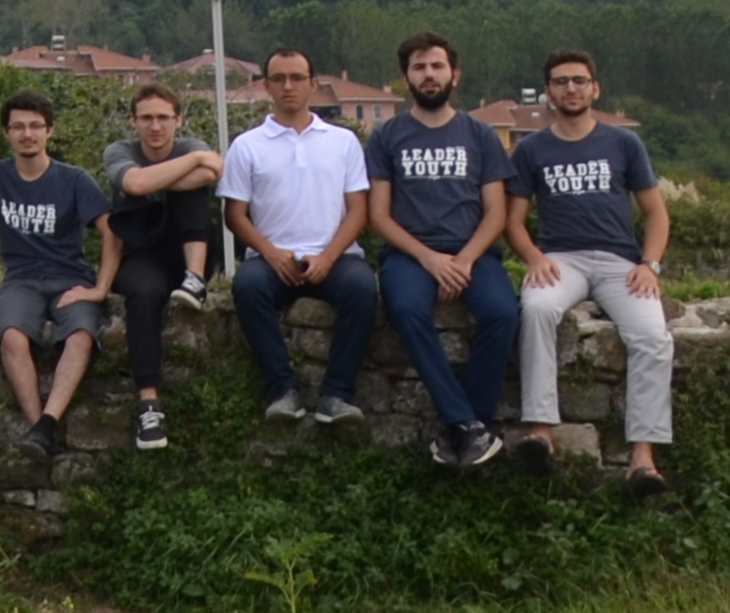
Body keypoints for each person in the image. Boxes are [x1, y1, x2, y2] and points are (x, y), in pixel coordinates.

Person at [509, 50, 676, 497]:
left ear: (594, 89)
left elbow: (656, 212)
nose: (571, 88)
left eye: (579, 81)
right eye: (561, 81)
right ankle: (540, 430)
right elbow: (513, 220)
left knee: (652, 336)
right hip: (561, 259)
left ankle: (643, 458)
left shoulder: (623, 144)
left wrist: (650, 264)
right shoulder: (532, 149)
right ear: (548, 92)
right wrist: (533, 258)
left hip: (621, 263)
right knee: (536, 309)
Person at [360, 33, 518, 472]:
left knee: (503, 313)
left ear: (454, 74)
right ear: (406, 78)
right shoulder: (388, 136)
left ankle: (464, 426)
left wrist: (463, 261)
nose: (429, 75)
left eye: (437, 66)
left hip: (473, 253)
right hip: (409, 256)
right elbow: (378, 216)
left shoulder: (480, 135)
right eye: (419, 68)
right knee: (407, 310)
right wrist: (429, 259)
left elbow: (496, 213)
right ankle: (467, 425)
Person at [224, 46, 381, 425]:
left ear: (313, 84)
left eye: (297, 78)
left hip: (336, 258)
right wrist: (271, 253)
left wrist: (328, 257)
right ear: (266, 86)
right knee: (247, 288)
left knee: (363, 290)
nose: (288, 86)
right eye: (278, 79)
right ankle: (283, 391)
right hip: (270, 260)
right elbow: (234, 215)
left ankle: (336, 396)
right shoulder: (246, 145)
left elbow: (359, 210)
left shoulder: (342, 141)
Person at [0, 92, 111, 458]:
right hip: (21, 279)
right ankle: (40, 431)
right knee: (11, 337)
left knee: (80, 336)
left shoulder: (74, 179)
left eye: (35, 126)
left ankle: (46, 426)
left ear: (50, 131)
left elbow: (113, 231)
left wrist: (100, 289)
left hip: (71, 277)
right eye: (18, 127)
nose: (27, 134)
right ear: (6, 133)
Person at [99, 83, 220, 449]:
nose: (155, 126)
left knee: (191, 197)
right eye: (147, 118)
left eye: (164, 118)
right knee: (144, 295)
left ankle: (195, 279)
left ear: (178, 120)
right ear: (133, 121)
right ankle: (149, 404)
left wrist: (162, 177)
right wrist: (193, 163)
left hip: (189, 249)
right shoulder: (120, 151)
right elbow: (135, 183)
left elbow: (213, 172)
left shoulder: (191, 144)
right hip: (141, 253)